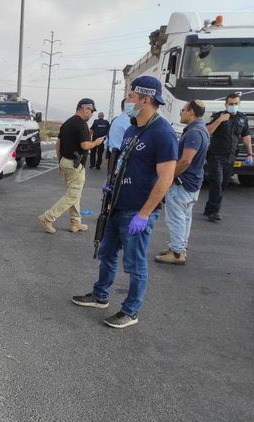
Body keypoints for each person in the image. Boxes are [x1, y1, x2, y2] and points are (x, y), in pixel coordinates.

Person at [72, 76, 178, 329]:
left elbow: (165, 179)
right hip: (116, 206)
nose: (127, 100)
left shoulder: (162, 133)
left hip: (136, 211)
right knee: (107, 253)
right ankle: (100, 295)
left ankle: (131, 311)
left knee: (135, 264)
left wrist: (144, 214)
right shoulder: (132, 128)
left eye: (131, 96)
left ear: (146, 98)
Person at [37, 98, 105, 234]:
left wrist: (60, 162)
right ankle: (48, 217)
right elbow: (85, 145)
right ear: (84, 108)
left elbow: (58, 144)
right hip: (75, 164)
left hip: (65, 161)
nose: (92, 114)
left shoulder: (67, 123)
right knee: (73, 195)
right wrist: (96, 142)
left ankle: (75, 222)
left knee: (75, 194)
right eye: (91, 111)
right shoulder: (81, 124)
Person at [155, 100, 209, 265]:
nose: (180, 113)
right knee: (185, 218)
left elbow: (185, 161)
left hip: (183, 183)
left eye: (183, 110)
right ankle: (179, 247)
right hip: (193, 182)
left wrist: (169, 177)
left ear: (191, 111)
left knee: (176, 218)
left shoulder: (194, 133)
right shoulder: (202, 130)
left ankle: (177, 253)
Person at [204, 93, 252, 222]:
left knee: (224, 183)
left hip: (230, 157)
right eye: (231, 104)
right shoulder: (218, 116)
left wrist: (250, 154)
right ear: (226, 104)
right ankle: (214, 211)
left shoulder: (242, 119)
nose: (233, 106)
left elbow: (246, 137)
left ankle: (209, 207)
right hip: (216, 155)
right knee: (217, 182)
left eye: (236, 103)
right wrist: (220, 120)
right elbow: (208, 131)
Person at [106, 99, 130, 172]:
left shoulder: (115, 119)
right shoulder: (129, 120)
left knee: (112, 181)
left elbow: (108, 138)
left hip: (113, 157)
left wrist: (107, 157)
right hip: (123, 159)